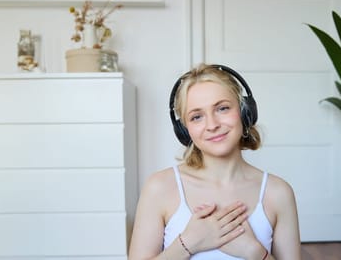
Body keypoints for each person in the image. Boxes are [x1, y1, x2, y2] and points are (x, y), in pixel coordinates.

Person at [129, 64, 300, 260]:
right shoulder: (159, 187)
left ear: (245, 113)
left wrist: (254, 252)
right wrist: (188, 243)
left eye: (222, 108)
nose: (212, 125)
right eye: (197, 117)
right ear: (185, 130)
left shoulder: (278, 192)